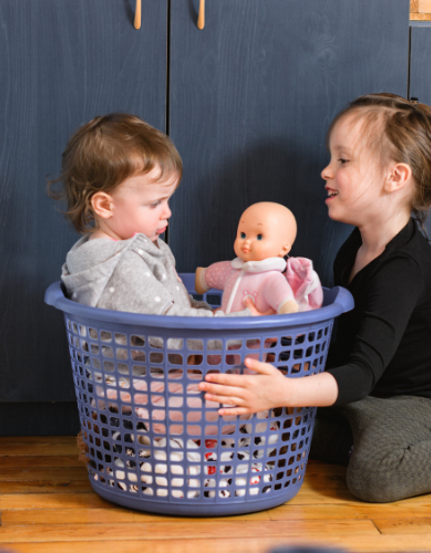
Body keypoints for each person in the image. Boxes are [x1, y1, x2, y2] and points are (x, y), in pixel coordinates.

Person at [198, 93, 431, 503]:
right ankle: (354, 438)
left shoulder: (403, 268)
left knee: (374, 477)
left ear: (394, 178)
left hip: (408, 403)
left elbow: (361, 372)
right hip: (360, 398)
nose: (326, 171)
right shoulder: (356, 246)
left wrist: (284, 392)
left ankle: (369, 446)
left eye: (343, 160)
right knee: (264, 428)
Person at [50, 113, 261, 318]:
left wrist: (210, 314)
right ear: (105, 205)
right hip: (152, 354)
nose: (167, 212)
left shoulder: (130, 247)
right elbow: (169, 326)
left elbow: (172, 303)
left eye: (167, 200)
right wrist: (240, 324)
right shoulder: (121, 265)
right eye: (154, 204)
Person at [195, 202, 323, 315]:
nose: (247, 242)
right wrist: (204, 277)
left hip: (253, 338)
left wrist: (286, 305)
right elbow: (218, 273)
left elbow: (279, 293)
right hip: (222, 333)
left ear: (283, 249)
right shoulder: (234, 268)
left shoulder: (270, 278)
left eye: (259, 237)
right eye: (243, 235)